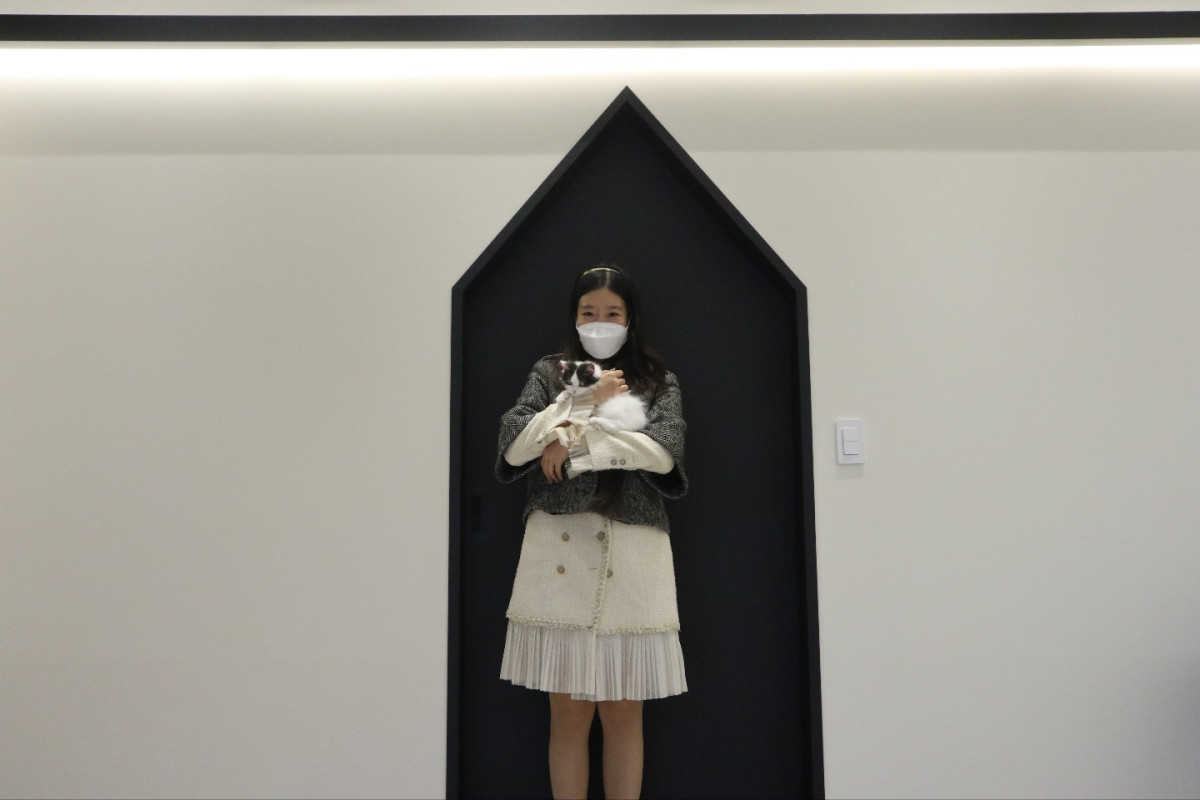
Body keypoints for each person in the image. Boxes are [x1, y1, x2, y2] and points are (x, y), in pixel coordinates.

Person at [495, 264, 688, 800]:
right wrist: (581, 401)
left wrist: (574, 444)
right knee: (568, 713)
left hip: (634, 552)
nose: (599, 323)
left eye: (612, 313)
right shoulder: (550, 372)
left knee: (625, 712)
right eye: (588, 312)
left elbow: (662, 454)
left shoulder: (658, 380)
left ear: (630, 318)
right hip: (559, 554)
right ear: (574, 317)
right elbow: (515, 445)